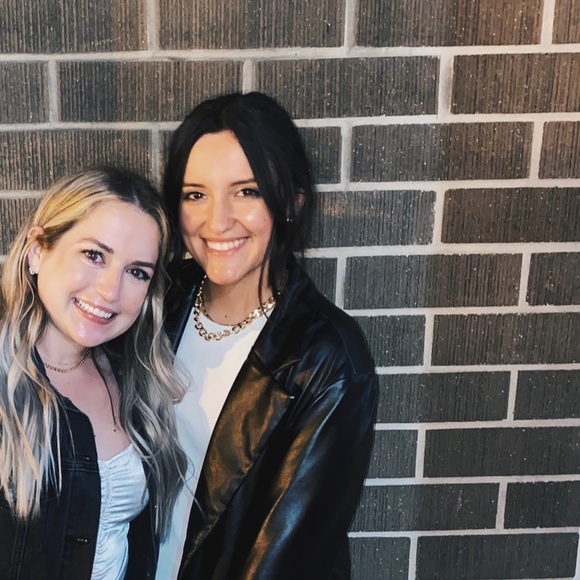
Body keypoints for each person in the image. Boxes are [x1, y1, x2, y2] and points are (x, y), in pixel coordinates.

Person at [158, 92, 378, 580]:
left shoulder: (329, 360)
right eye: (195, 194)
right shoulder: (155, 302)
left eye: (247, 191)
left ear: (292, 202)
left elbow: (283, 560)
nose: (217, 222)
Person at [0, 167, 187, 580]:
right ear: (38, 250)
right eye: (94, 255)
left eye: (137, 272)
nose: (110, 291)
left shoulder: (135, 380)